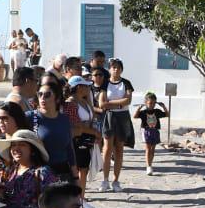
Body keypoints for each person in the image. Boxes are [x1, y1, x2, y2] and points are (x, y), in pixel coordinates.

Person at [0, 129, 57, 208]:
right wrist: (0, 194)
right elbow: (9, 200)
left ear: (33, 150)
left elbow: (53, 203)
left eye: (22, 144)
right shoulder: (10, 171)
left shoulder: (43, 173)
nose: (16, 148)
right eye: (13, 145)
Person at [28, 79, 76, 178]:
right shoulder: (30, 117)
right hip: (39, 174)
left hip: (63, 173)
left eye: (47, 95)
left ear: (57, 98)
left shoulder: (64, 119)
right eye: (40, 94)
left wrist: (75, 177)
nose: (42, 98)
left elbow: (69, 149)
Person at [100, 59, 135, 190]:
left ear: (121, 69)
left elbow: (128, 100)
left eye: (118, 67)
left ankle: (116, 180)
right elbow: (101, 103)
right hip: (109, 116)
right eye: (113, 67)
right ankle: (105, 180)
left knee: (119, 149)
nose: (116, 69)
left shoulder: (126, 83)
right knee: (107, 149)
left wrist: (111, 103)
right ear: (109, 69)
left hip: (122, 117)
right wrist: (118, 103)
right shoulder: (105, 83)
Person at [64, 77, 101, 192]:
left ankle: (82, 198)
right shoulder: (70, 103)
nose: (88, 88)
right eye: (86, 86)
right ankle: (79, 198)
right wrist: (95, 132)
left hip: (86, 139)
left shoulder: (84, 101)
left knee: (84, 169)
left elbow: (92, 118)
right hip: (76, 140)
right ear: (79, 87)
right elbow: (77, 125)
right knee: (79, 170)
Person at [136, 92, 169, 175]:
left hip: (155, 131)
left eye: (154, 103)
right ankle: (148, 166)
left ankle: (150, 163)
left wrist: (163, 106)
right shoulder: (143, 112)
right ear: (146, 103)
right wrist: (138, 109)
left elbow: (167, 114)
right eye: (150, 103)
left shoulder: (157, 111)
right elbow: (135, 116)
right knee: (148, 148)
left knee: (152, 150)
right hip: (146, 131)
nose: (152, 105)